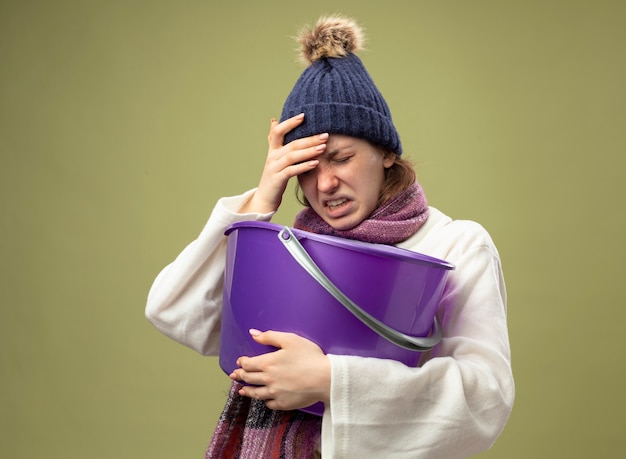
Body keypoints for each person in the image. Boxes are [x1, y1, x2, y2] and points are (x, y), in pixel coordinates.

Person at [145, 15, 514, 459]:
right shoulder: (285, 251)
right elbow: (172, 310)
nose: (324, 185)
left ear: (386, 153)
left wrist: (331, 381)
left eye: (341, 158)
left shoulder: (455, 245)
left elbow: (485, 399)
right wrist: (261, 203)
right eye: (308, 168)